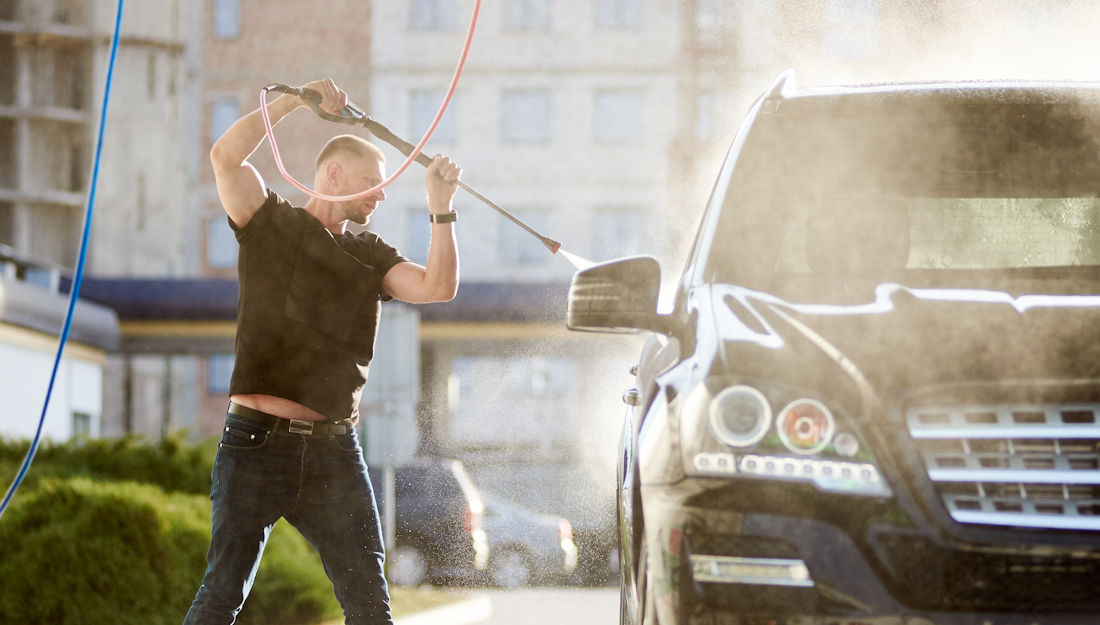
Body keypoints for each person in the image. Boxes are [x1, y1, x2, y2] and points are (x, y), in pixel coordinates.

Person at [183, 78, 461, 625]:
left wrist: (441, 207)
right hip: (253, 444)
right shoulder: (269, 222)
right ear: (332, 175)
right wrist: (295, 100)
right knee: (222, 595)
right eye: (370, 183)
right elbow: (225, 156)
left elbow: (437, 288)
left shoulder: (372, 254)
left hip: (334, 452)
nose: (379, 194)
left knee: (370, 606)